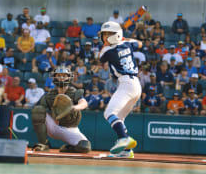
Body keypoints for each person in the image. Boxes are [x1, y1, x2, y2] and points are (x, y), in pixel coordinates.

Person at [99, 21, 142, 158]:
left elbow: (100, 58)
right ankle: (127, 151)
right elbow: (140, 43)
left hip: (126, 84)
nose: (105, 37)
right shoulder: (128, 44)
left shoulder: (108, 50)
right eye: (104, 34)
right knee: (119, 118)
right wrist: (124, 39)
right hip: (136, 85)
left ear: (115, 35)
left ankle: (124, 138)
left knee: (109, 113)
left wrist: (118, 39)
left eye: (108, 34)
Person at [31, 66, 91, 153]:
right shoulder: (48, 95)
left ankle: (68, 148)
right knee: (37, 110)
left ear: (69, 77)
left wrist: (74, 107)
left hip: (70, 128)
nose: (61, 77)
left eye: (64, 75)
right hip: (53, 126)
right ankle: (44, 144)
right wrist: (53, 115)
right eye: (59, 75)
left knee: (85, 147)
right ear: (54, 77)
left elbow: (84, 103)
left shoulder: (74, 92)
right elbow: (37, 110)